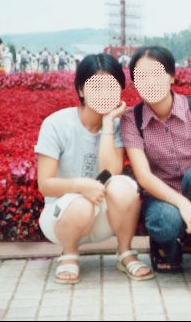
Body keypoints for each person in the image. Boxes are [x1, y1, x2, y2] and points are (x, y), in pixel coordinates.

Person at [120, 46, 191, 293]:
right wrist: (183, 205)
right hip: (163, 199)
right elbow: (144, 177)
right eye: (141, 76)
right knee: (164, 221)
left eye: (156, 74)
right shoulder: (132, 120)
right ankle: (168, 245)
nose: (149, 82)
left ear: (172, 76)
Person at [35, 53, 154, 285]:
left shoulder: (118, 125)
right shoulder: (56, 124)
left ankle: (125, 252)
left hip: (102, 217)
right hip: (61, 217)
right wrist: (81, 186)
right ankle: (69, 254)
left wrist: (108, 124)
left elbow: (110, 172)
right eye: (97, 87)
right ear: (81, 90)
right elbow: (45, 185)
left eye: (111, 87)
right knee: (81, 204)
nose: (105, 94)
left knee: (124, 187)